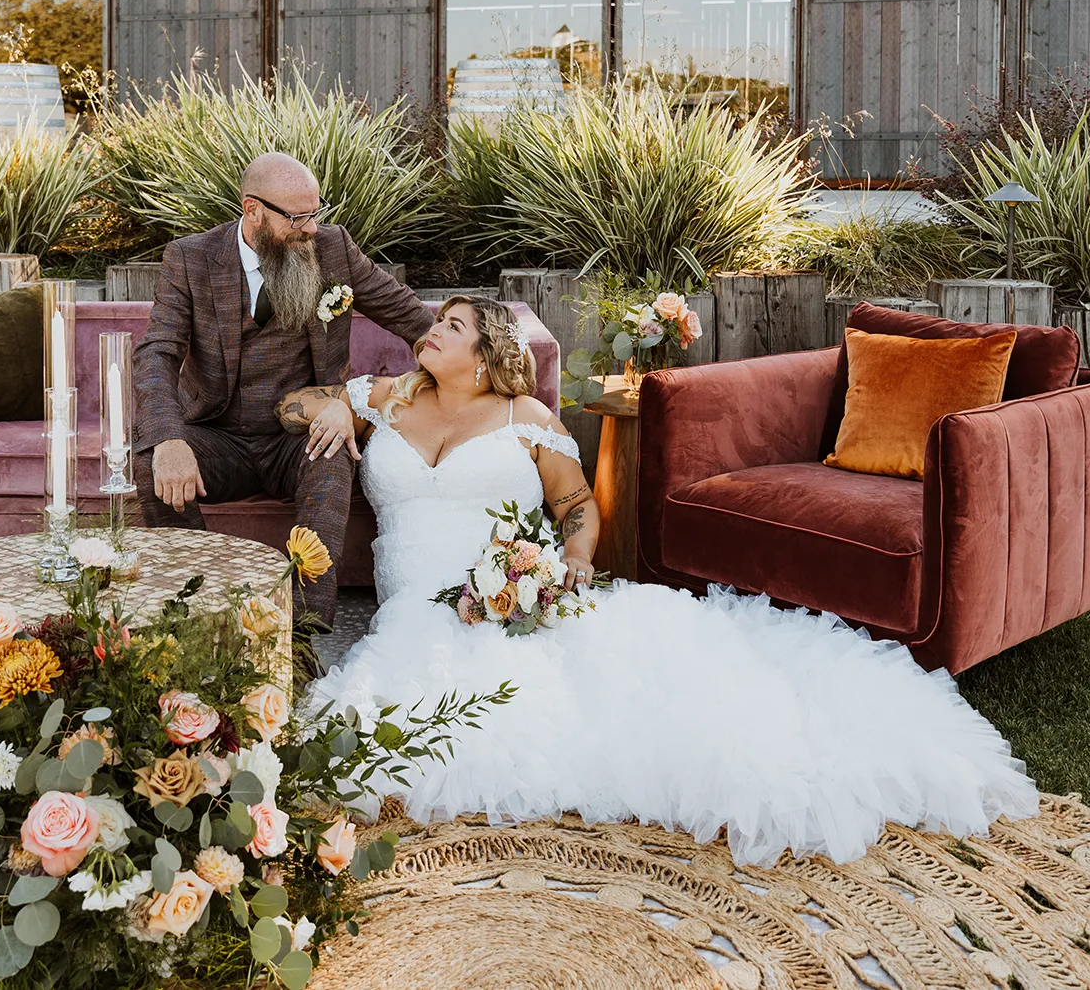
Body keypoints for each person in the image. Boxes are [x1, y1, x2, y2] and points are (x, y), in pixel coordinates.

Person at [275, 295, 1039, 868]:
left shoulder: (524, 414)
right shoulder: (387, 395)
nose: (433, 330)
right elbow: (290, 406)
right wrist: (335, 408)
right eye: (437, 322)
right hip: (416, 607)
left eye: (453, 325)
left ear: (482, 355)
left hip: (510, 595)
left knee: (628, 705)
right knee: (389, 727)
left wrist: (575, 561)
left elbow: (577, 505)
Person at [132, 153, 434, 652]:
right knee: (151, 458)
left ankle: (301, 639)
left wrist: (476, 360)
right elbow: (157, 352)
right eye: (297, 217)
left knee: (334, 453)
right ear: (252, 210)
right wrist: (168, 438)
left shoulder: (332, 248)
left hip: (298, 435)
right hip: (218, 436)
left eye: (316, 212)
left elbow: (409, 316)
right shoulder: (190, 258)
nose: (312, 228)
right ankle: (199, 619)